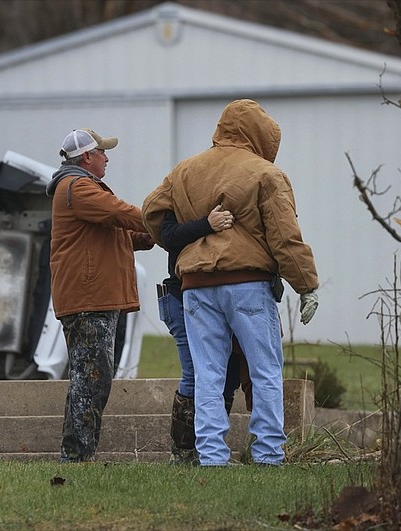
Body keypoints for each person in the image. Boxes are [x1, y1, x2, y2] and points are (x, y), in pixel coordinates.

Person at [142, 99, 319, 466]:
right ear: (261, 134)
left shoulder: (185, 170)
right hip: (247, 284)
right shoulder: (266, 174)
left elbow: (152, 214)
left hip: (195, 285)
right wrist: (306, 284)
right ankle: (269, 453)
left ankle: (211, 455)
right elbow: (285, 238)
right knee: (265, 369)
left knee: (208, 373)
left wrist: (193, 234)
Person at [46, 128, 154, 463]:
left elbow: (117, 232)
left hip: (92, 298)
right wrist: (162, 219)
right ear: (88, 157)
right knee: (92, 377)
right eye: (103, 152)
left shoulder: (79, 188)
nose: (107, 157)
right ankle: (76, 456)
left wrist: (147, 235)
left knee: (91, 375)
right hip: (88, 299)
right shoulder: (78, 187)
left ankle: (77, 453)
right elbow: (120, 213)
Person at [158, 208, 251, 464]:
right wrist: (206, 224)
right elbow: (168, 235)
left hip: (220, 295)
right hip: (182, 295)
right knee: (197, 373)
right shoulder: (183, 193)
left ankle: (211, 450)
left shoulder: (233, 197)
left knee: (229, 374)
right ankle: (185, 453)